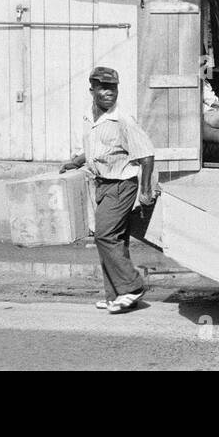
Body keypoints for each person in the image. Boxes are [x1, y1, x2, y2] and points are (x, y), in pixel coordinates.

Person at [60, 66, 154, 314]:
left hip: (122, 185)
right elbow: (95, 148)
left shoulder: (122, 120)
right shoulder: (89, 118)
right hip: (101, 185)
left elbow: (146, 155)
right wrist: (77, 161)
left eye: (112, 88)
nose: (108, 93)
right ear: (92, 90)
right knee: (115, 240)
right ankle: (116, 296)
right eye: (102, 88)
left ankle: (132, 287)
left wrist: (144, 192)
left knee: (103, 235)